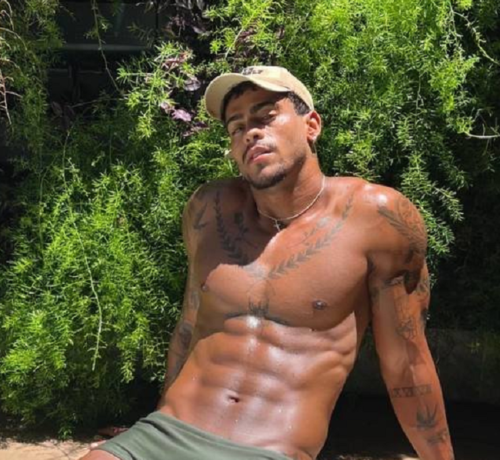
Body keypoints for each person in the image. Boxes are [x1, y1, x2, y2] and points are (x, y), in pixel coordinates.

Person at [81, 66, 454, 460]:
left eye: (265, 116)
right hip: (167, 433)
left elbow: (405, 363)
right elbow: (190, 326)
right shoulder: (209, 209)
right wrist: (154, 424)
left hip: (268, 450)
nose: (250, 133)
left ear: (311, 125)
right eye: (237, 127)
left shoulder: (377, 218)